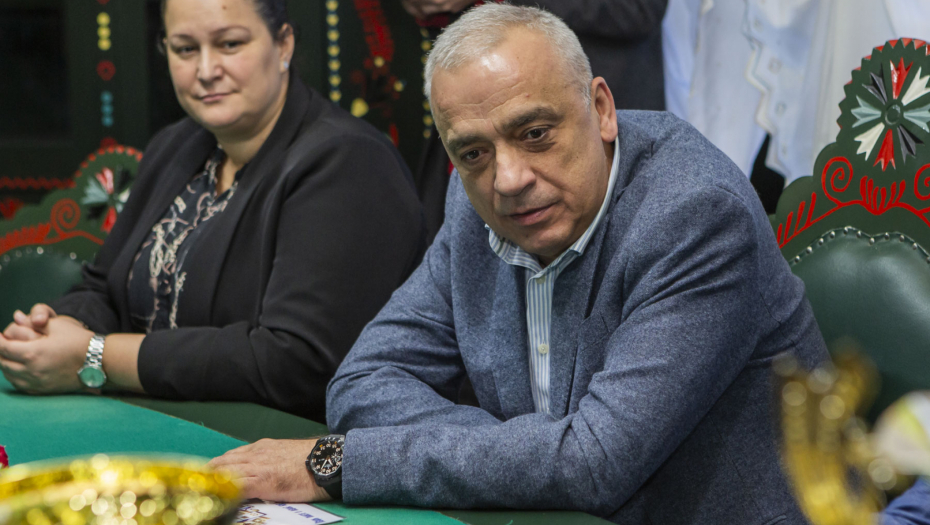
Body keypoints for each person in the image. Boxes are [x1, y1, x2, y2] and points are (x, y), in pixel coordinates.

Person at [209, 4, 828, 523]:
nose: (507, 179)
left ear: (602, 109)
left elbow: (594, 466)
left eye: (535, 134)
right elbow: (362, 382)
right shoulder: (472, 201)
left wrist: (341, 462)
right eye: (473, 152)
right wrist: (537, 456)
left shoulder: (695, 214)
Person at [0, 0, 425, 422]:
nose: (205, 70)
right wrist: (56, 329)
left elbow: (294, 363)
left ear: (283, 44)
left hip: (274, 445)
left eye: (229, 44)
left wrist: (95, 356)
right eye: (185, 49)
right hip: (153, 423)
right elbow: (104, 288)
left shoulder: (349, 161)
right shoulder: (176, 145)